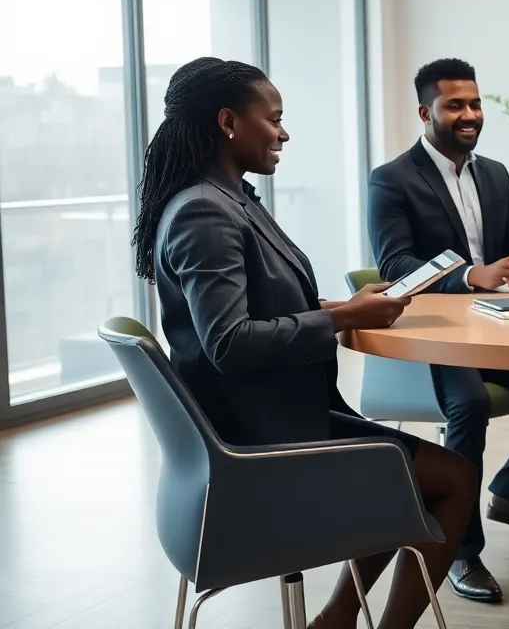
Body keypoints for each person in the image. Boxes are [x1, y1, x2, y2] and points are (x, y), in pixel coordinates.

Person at [133, 57, 476, 629]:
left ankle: (336, 620)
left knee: (406, 472)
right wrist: (341, 321)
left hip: (269, 419)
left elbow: (257, 310)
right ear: (227, 122)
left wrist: (348, 308)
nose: (284, 132)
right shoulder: (203, 211)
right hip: (262, 443)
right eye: (274, 119)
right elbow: (230, 341)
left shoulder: (225, 198)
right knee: (455, 478)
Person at [367, 57, 509, 604]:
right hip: (430, 339)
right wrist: (473, 275)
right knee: (469, 405)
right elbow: (395, 265)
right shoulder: (391, 179)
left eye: (474, 104)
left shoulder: (493, 172)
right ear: (426, 112)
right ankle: (462, 552)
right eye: (454, 105)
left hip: (493, 333)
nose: (469, 115)